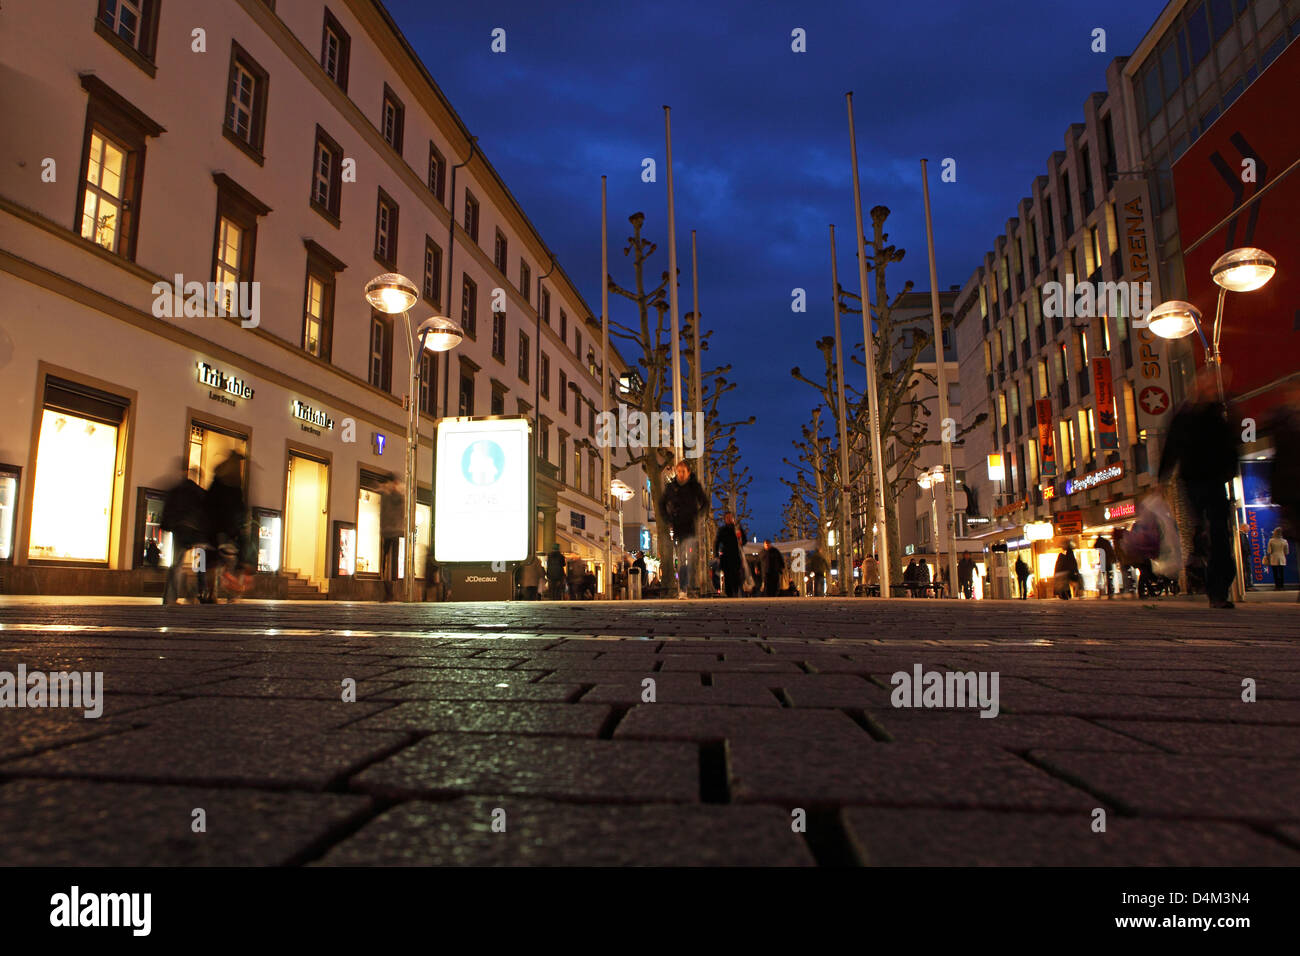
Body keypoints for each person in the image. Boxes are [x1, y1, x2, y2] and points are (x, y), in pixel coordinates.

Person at [1158, 367, 1240, 608]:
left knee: (1218, 531)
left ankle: (1218, 590)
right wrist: (1162, 479)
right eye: (1208, 385)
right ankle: (1203, 566)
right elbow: (1171, 446)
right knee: (1206, 531)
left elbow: (1230, 443)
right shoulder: (1185, 415)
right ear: (1197, 387)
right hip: (1192, 480)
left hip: (1214, 480)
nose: (1211, 389)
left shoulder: (1220, 412)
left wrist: (1229, 471)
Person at [658, 460, 709, 598]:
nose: (680, 474)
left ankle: (692, 587)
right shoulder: (672, 487)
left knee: (691, 557)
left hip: (691, 526)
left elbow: (704, 501)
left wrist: (698, 515)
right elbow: (661, 503)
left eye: (683, 471)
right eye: (678, 471)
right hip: (678, 526)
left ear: (688, 472)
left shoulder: (694, 486)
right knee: (681, 558)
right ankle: (684, 589)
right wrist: (668, 518)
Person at [160, 460, 207, 605]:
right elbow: (206, 512)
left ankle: (170, 597)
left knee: (176, 564)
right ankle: (198, 593)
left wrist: (167, 525)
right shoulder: (199, 492)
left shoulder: (176, 491)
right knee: (200, 564)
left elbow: (168, 509)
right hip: (196, 531)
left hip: (180, 530)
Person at [205, 452, 249, 603]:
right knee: (233, 563)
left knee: (212, 564)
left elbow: (208, 504)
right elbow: (239, 510)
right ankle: (233, 594)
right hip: (229, 531)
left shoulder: (216, 483)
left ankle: (211, 594)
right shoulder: (236, 487)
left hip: (214, 530)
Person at [378, 472, 405, 602]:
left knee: (392, 562)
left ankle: (391, 590)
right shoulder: (385, 495)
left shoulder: (398, 496)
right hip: (386, 532)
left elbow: (400, 507)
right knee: (384, 562)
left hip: (395, 532)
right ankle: (386, 589)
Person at [716, 512, 746, 597]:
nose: (729, 519)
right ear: (725, 519)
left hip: (736, 555)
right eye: (727, 518)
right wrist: (716, 555)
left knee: (736, 574)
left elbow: (744, 540)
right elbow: (717, 542)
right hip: (725, 555)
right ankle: (729, 593)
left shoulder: (737, 528)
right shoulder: (722, 530)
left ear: (733, 518)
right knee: (727, 575)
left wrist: (741, 541)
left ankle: (736, 591)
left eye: (730, 517)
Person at [1268, 526, 1289, 591]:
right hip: (1282, 558)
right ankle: (1282, 586)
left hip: (1274, 558)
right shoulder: (1284, 541)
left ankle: (1277, 586)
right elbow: (1287, 552)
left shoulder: (1271, 541)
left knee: (1275, 573)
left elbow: (1269, 551)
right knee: (1281, 572)